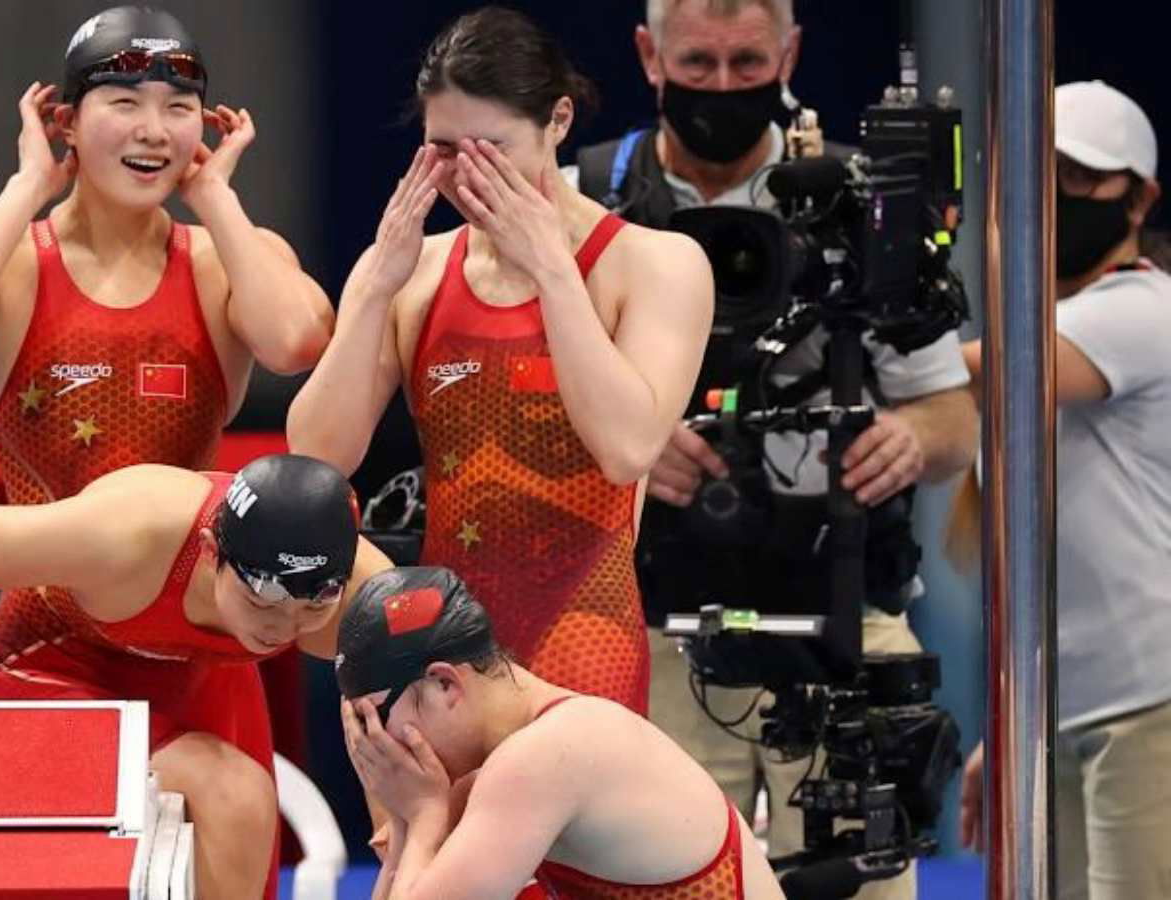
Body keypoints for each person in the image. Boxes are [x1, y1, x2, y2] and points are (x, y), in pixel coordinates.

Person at [0, 7, 335, 865]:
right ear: (66, 120)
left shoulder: (221, 262)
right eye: (123, 101)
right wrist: (28, 187)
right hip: (57, 654)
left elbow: (297, 341)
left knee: (240, 824)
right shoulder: (9, 260)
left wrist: (218, 202)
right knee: (226, 794)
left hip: (207, 647)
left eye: (177, 106)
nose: (152, 129)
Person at [567, 4, 978, 895]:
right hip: (649, 629)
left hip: (841, 617)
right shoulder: (580, 201)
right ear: (649, 56)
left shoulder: (863, 197)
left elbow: (954, 416)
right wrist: (623, 438)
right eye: (698, 62)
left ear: (789, 53)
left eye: (747, 61)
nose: (721, 86)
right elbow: (512, 401)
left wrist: (909, 439)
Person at [289, 6, 713, 718]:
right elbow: (317, 457)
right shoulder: (411, 273)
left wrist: (552, 270)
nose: (467, 175)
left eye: (493, 147)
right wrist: (371, 293)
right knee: (428, 835)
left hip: (586, 645)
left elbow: (627, 447)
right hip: (440, 658)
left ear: (559, 123)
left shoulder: (654, 265)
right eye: (445, 150)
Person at [0, 454, 393, 900]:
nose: (281, 627)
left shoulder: (366, 592)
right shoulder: (123, 533)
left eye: (309, 611)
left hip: (189, 671)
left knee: (256, 835)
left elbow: (393, 724)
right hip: (49, 667)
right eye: (262, 602)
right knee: (235, 797)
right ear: (212, 554)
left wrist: (393, 837)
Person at [958, 80, 1171, 900]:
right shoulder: (1043, 322)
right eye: (1039, 174)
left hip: (1146, 713)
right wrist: (1009, 723)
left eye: (1082, 179)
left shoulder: (1140, 310)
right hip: (1057, 716)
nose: (1056, 197)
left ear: (1140, 199)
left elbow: (967, 373)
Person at [337, 566, 785, 900]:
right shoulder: (516, 758)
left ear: (444, 684)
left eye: (376, 720)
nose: (380, 746)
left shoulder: (548, 754)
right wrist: (404, 818)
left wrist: (423, 813)